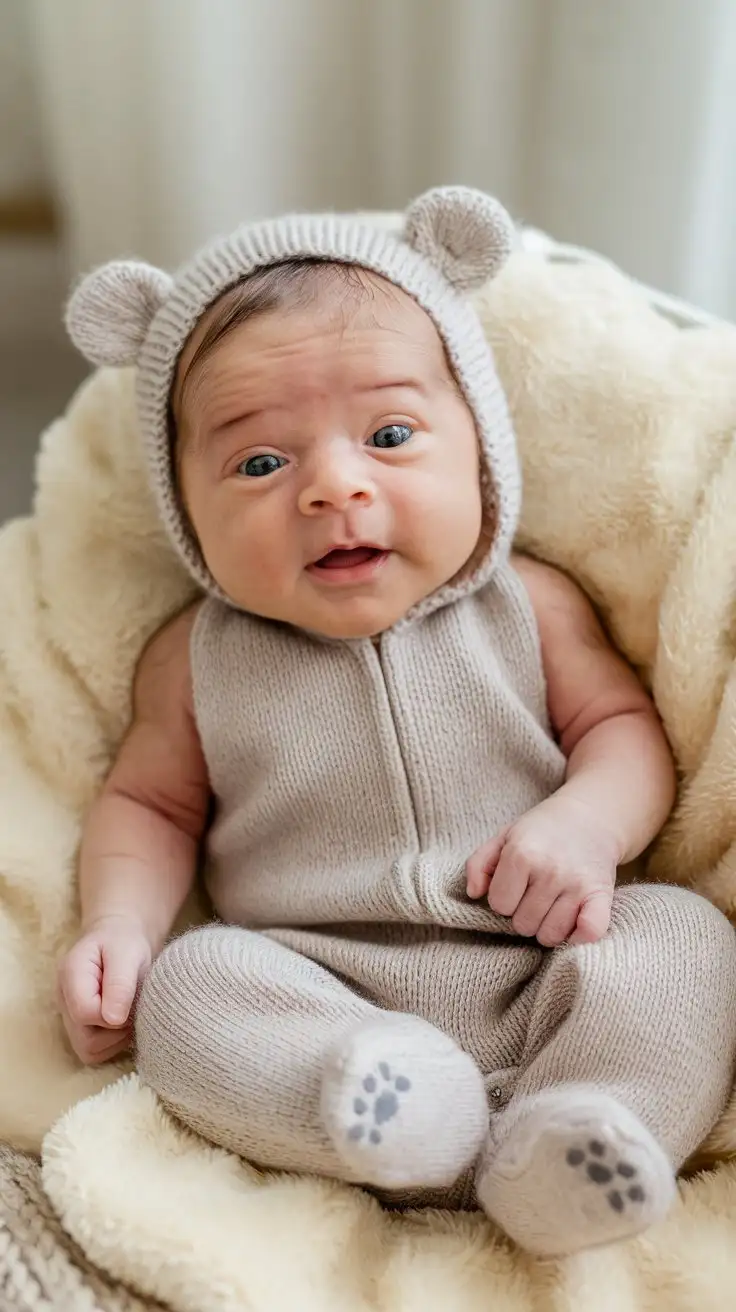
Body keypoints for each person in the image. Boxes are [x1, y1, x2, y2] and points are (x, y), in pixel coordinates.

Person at [58, 188, 736, 1257]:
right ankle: (382, 1112)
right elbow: (145, 804)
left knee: (683, 940)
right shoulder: (192, 661)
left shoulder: (530, 603)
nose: (333, 487)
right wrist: (122, 927)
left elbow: (623, 731)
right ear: (186, 509)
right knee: (189, 989)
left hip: (546, 969)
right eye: (259, 462)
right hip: (323, 995)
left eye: (388, 434)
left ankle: (589, 1125)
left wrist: (584, 827)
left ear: (479, 447)